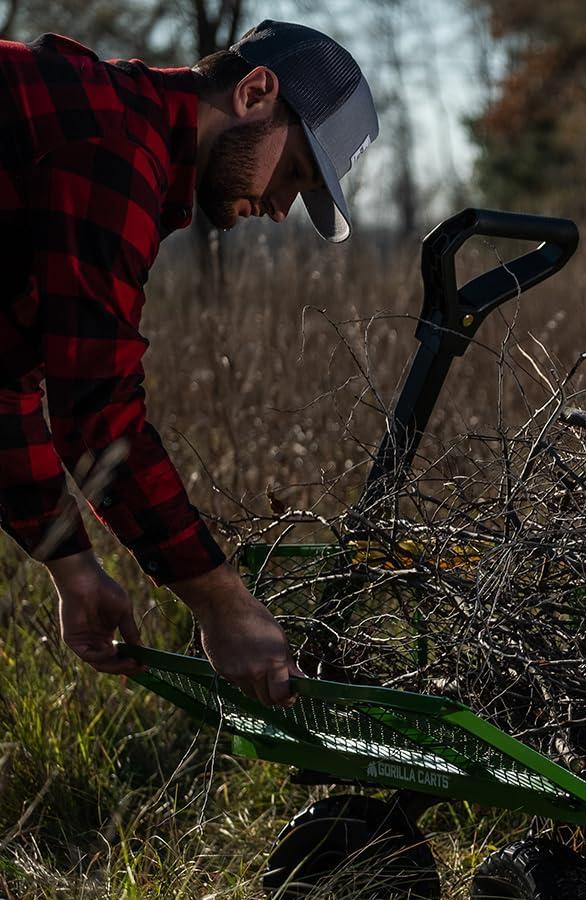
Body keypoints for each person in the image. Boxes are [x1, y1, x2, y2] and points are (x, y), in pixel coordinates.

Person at [0, 20, 378, 705]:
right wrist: (222, 603)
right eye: (294, 173)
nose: (280, 210)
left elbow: (6, 377)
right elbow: (99, 417)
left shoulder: (119, 138)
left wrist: (72, 564)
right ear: (255, 93)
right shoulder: (113, 143)